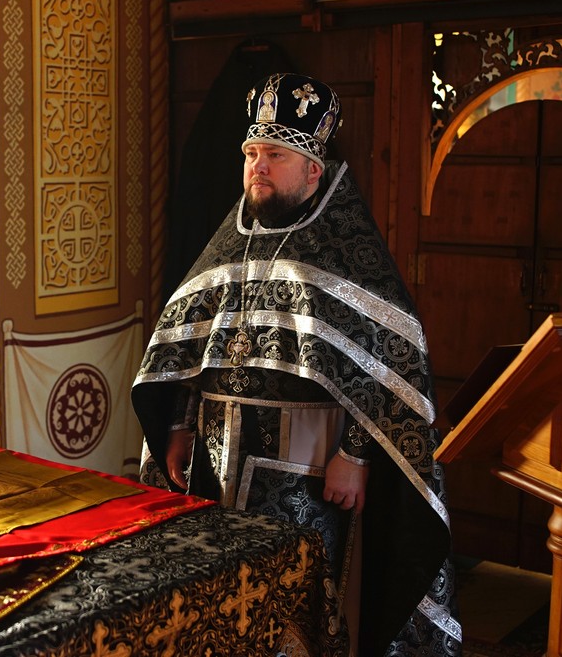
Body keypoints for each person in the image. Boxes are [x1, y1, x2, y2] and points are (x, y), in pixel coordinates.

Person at [132, 73, 461, 656]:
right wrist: (179, 426)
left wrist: (355, 457)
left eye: (275, 155)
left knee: (296, 612)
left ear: (313, 169)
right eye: (251, 154)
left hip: (305, 467)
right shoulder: (230, 243)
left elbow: (389, 372)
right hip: (216, 461)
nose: (258, 167)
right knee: (221, 605)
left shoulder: (348, 253)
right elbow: (190, 351)